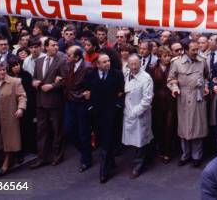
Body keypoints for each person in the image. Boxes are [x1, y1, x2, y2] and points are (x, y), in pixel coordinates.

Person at [83, 53, 125, 183]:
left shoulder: (117, 74)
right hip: (96, 113)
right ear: (97, 64)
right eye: (104, 62)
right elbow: (86, 92)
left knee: (107, 141)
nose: (108, 63)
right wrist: (89, 107)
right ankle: (110, 161)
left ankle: (104, 171)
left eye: (108, 61)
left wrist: (118, 106)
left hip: (111, 113)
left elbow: (123, 92)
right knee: (101, 139)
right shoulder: (91, 75)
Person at [168, 40, 209, 167]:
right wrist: (174, 88)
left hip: (198, 97)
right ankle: (185, 154)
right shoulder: (176, 62)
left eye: (197, 49)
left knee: (198, 127)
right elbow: (171, 79)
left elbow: (207, 76)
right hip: (184, 98)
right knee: (184, 128)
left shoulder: (202, 61)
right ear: (186, 50)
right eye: (193, 50)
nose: (196, 52)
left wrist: (206, 86)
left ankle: (197, 156)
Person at [30, 37, 68, 169]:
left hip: (54, 101)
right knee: (42, 130)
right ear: (46, 47)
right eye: (53, 45)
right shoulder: (39, 61)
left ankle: (57, 155)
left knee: (57, 129)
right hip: (40, 100)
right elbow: (35, 77)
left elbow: (65, 80)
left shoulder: (62, 61)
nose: (56, 47)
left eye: (57, 45)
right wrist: (33, 82)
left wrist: (53, 85)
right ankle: (42, 157)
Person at [0, 61, 27, 175]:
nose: (2, 72)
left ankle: (7, 161)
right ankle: (7, 157)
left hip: (9, 112)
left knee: (9, 137)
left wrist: (20, 108)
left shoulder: (14, 81)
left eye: (4, 69)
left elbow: (22, 96)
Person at [122, 54, 154, 178]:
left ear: (140, 63)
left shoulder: (146, 78)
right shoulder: (126, 74)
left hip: (140, 114)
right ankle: (146, 158)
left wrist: (135, 111)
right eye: (131, 64)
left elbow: (147, 99)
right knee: (134, 141)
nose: (134, 67)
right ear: (128, 65)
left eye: (136, 64)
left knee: (141, 140)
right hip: (128, 112)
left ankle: (138, 166)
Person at [63, 45, 92, 172]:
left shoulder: (88, 67)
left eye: (69, 55)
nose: (66, 57)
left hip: (81, 103)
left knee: (83, 132)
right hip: (70, 101)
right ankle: (86, 150)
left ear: (77, 57)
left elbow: (93, 84)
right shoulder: (68, 65)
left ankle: (86, 159)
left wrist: (89, 93)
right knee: (68, 129)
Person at [149, 46, 177, 163]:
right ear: (159, 57)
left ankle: (168, 152)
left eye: (169, 56)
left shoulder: (173, 67)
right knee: (158, 126)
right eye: (165, 56)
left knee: (169, 126)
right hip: (158, 101)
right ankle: (160, 150)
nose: (167, 58)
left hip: (171, 100)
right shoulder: (153, 68)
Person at [7, 57, 36, 156]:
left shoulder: (26, 75)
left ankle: (32, 147)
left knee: (28, 126)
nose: (16, 67)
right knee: (18, 129)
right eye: (13, 66)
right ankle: (20, 149)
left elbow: (29, 91)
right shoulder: (8, 77)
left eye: (17, 64)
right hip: (13, 105)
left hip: (27, 103)